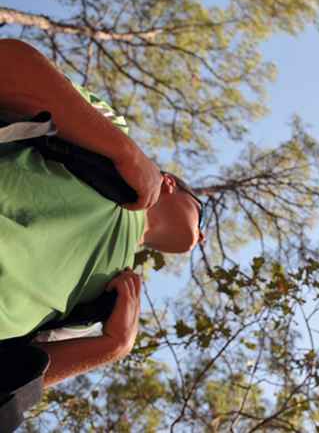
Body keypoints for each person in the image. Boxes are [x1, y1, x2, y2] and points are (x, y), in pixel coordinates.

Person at [0, 38, 206, 388]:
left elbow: (11, 375)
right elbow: (7, 64)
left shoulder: (108, 302)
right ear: (170, 184)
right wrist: (127, 154)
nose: (202, 236)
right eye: (202, 216)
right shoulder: (113, 140)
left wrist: (112, 346)